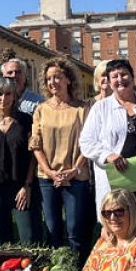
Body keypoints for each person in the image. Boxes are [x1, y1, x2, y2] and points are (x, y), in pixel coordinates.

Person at [80, 59, 136, 217]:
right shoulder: (100, 108)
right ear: (108, 81)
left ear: (132, 77)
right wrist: (108, 155)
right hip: (115, 178)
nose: (120, 79)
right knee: (116, 221)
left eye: (124, 75)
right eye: (115, 76)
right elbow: (86, 142)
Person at [31, 57, 93, 259]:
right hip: (48, 179)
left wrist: (74, 170)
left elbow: (89, 143)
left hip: (76, 177)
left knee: (75, 229)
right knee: (52, 229)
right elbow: (36, 145)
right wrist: (49, 172)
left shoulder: (82, 109)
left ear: (68, 79)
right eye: (49, 79)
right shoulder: (41, 109)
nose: (52, 82)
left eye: (57, 77)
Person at [0, 77, 40, 246]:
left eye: (7, 94)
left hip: (21, 187)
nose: (3, 98)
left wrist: (27, 185)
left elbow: (33, 157)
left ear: (14, 96)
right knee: (0, 241)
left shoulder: (26, 121)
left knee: (29, 239)